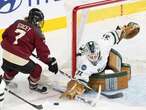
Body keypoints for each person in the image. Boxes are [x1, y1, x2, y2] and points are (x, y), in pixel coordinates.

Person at [61, 22, 140, 99]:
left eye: (95, 55)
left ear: (99, 51)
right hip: (94, 73)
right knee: (88, 85)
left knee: (115, 58)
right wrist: (72, 89)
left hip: (105, 62)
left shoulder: (104, 44)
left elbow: (116, 34)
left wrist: (125, 31)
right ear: (86, 55)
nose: (94, 58)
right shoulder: (84, 64)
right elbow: (77, 80)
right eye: (91, 56)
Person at [0, 8, 58, 93]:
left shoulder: (18, 22)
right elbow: (42, 53)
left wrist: (18, 47)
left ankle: (6, 80)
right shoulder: (37, 32)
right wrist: (50, 62)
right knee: (37, 69)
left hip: (5, 53)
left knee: (12, 66)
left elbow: (4, 35)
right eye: (39, 21)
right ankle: (33, 86)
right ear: (36, 21)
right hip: (19, 59)